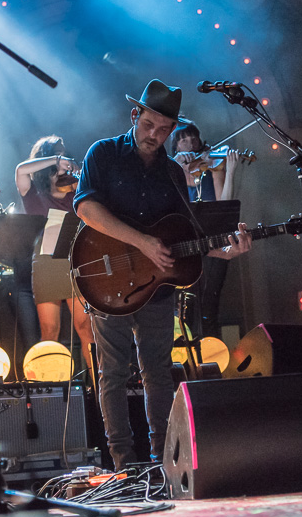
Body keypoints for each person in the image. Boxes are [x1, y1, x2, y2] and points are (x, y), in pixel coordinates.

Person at [73, 79, 251, 470]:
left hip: (156, 285)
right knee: (113, 373)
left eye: (165, 129)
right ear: (135, 116)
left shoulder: (172, 173)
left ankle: (159, 461)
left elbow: (187, 234)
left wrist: (224, 250)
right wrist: (141, 242)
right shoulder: (102, 153)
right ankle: (124, 463)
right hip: (108, 278)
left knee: (158, 371)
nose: (156, 135)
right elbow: (85, 209)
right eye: (149, 125)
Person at [15, 136, 94, 370]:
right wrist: (57, 159)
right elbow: (21, 169)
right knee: (50, 330)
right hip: (47, 263)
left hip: (76, 259)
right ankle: (49, 388)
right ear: (48, 157)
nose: (66, 158)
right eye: (60, 154)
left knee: (85, 327)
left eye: (65, 153)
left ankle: (99, 388)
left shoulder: (74, 189)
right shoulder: (32, 191)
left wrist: (80, 175)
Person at [170, 119, 241, 338]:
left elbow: (224, 206)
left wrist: (230, 171)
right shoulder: (171, 171)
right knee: (183, 309)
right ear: (175, 147)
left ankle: (211, 362)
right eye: (182, 138)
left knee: (210, 305)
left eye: (192, 136)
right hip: (185, 243)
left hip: (213, 242)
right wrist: (174, 165)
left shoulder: (212, 167)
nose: (189, 141)